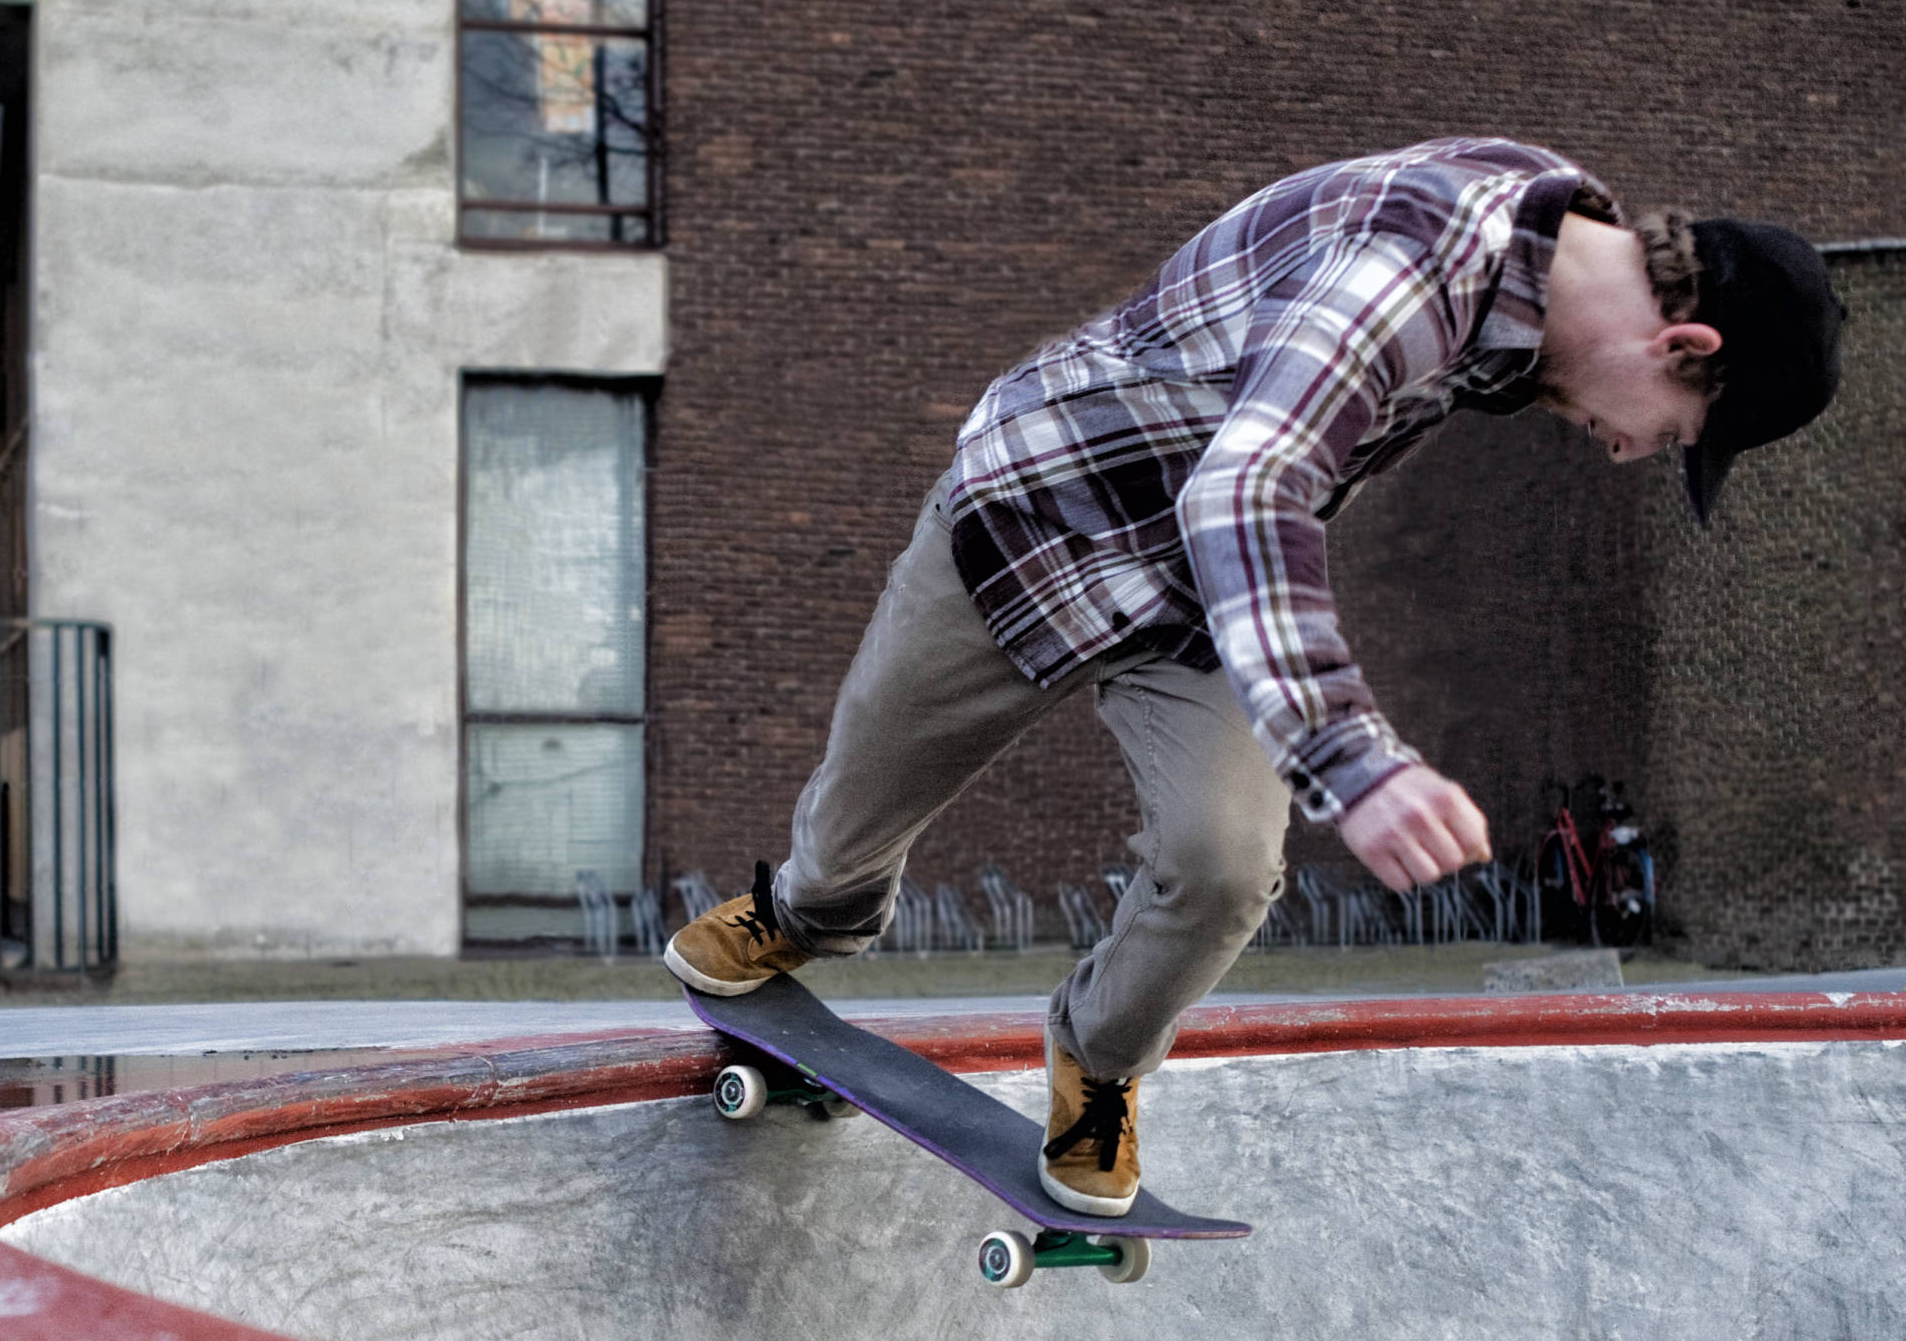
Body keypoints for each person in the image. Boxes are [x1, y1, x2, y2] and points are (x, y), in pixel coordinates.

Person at [664, 138, 1842, 1214]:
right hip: (1030, 521)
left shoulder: (1555, 256)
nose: (1632, 453)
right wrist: (1351, 759)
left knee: (1224, 869)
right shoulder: (1419, 267)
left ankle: (1098, 1057)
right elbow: (1248, 483)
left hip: (1195, 606)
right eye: (1675, 433)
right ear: (1682, 346)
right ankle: (802, 913)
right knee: (863, 800)